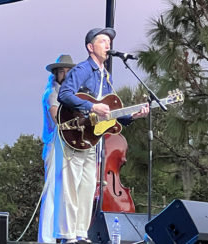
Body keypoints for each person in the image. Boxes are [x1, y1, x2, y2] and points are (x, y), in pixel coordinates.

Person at [56, 28, 149, 244]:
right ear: (90, 47)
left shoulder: (105, 76)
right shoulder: (82, 69)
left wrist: (135, 115)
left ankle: (81, 233)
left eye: (109, 41)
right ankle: (68, 235)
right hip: (76, 131)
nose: (108, 45)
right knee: (72, 185)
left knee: (88, 185)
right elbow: (65, 94)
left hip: (93, 138)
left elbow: (112, 114)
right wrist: (91, 106)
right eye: (103, 41)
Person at [38, 54, 75, 243]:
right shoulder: (53, 94)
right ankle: (47, 239)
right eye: (62, 71)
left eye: (69, 71)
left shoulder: (74, 95)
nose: (66, 74)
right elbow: (58, 120)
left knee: (67, 193)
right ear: (56, 74)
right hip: (55, 145)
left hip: (70, 147)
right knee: (52, 192)